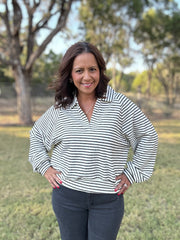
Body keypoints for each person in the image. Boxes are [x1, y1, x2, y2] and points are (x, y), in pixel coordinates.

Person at [29, 41, 158, 240]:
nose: (87, 77)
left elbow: (148, 136)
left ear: (100, 71)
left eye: (92, 69)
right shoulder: (61, 109)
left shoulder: (120, 105)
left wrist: (132, 174)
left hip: (107, 200)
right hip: (67, 196)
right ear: (70, 75)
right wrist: (44, 166)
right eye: (79, 70)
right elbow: (37, 135)